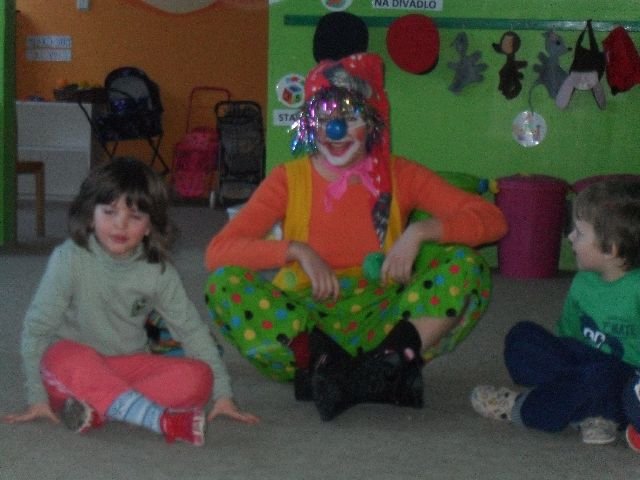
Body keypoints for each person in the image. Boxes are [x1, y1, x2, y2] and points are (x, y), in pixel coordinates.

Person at [205, 52, 507, 421]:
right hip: (307, 323)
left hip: (382, 319)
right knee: (224, 284)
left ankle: (380, 366)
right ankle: (335, 367)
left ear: (373, 120)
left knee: (466, 266)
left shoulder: (400, 174)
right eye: (325, 119)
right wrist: (296, 250)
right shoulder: (289, 179)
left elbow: (492, 220)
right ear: (311, 124)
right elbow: (218, 252)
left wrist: (420, 231)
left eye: (349, 118)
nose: (335, 131)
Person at [2, 157, 259, 446]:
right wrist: (37, 398)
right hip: (75, 367)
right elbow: (37, 329)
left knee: (199, 376)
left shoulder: (158, 270)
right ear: (90, 216)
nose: (120, 225)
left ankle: (102, 409)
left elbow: (191, 330)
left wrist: (223, 395)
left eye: (135, 217)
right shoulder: (69, 258)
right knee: (59, 355)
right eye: (109, 212)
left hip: (127, 365)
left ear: (150, 226)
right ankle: (156, 418)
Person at [471, 179, 640, 448]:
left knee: (601, 377)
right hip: (582, 360)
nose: (570, 237)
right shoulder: (583, 281)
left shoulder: (636, 289)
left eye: (580, 233)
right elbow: (568, 335)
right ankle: (587, 408)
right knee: (521, 338)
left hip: (622, 376)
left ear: (611, 249)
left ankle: (525, 408)